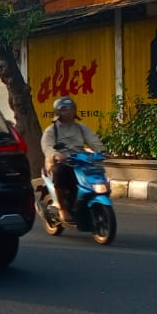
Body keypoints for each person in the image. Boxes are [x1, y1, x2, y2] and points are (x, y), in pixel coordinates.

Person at [40, 96, 103, 224]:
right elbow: (47, 146)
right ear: (58, 112)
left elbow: (93, 140)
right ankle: (62, 208)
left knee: (95, 172)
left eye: (71, 109)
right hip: (59, 162)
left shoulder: (81, 128)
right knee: (61, 172)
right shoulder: (51, 130)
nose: (68, 112)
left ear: (75, 110)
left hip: (79, 161)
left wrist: (102, 151)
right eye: (64, 109)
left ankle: (84, 204)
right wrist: (56, 155)